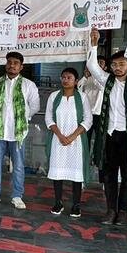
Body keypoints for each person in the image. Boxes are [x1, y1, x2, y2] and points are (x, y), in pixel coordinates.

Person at [87, 27, 127, 226]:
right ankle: (111, 210)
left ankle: (123, 212)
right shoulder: (107, 80)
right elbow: (92, 65)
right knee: (109, 174)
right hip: (108, 134)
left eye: (122, 64)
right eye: (114, 64)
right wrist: (94, 43)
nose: (117, 68)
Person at [0, 51, 41, 209]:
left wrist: (22, 119)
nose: (12, 65)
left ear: (21, 67)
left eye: (15, 63)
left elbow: (35, 106)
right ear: (6, 65)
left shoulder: (28, 85)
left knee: (18, 166)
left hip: (18, 133)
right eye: (9, 62)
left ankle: (17, 196)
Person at [45, 68, 93, 217]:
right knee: (57, 173)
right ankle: (58, 202)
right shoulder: (54, 96)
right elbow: (48, 118)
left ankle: (76, 205)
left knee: (76, 174)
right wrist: (60, 135)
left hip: (76, 142)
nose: (65, 80)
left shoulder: (82, 97)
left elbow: (88, 120)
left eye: (69, 77)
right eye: (63, 77)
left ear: (76, 81)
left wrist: (72, 137)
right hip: (57, 140)